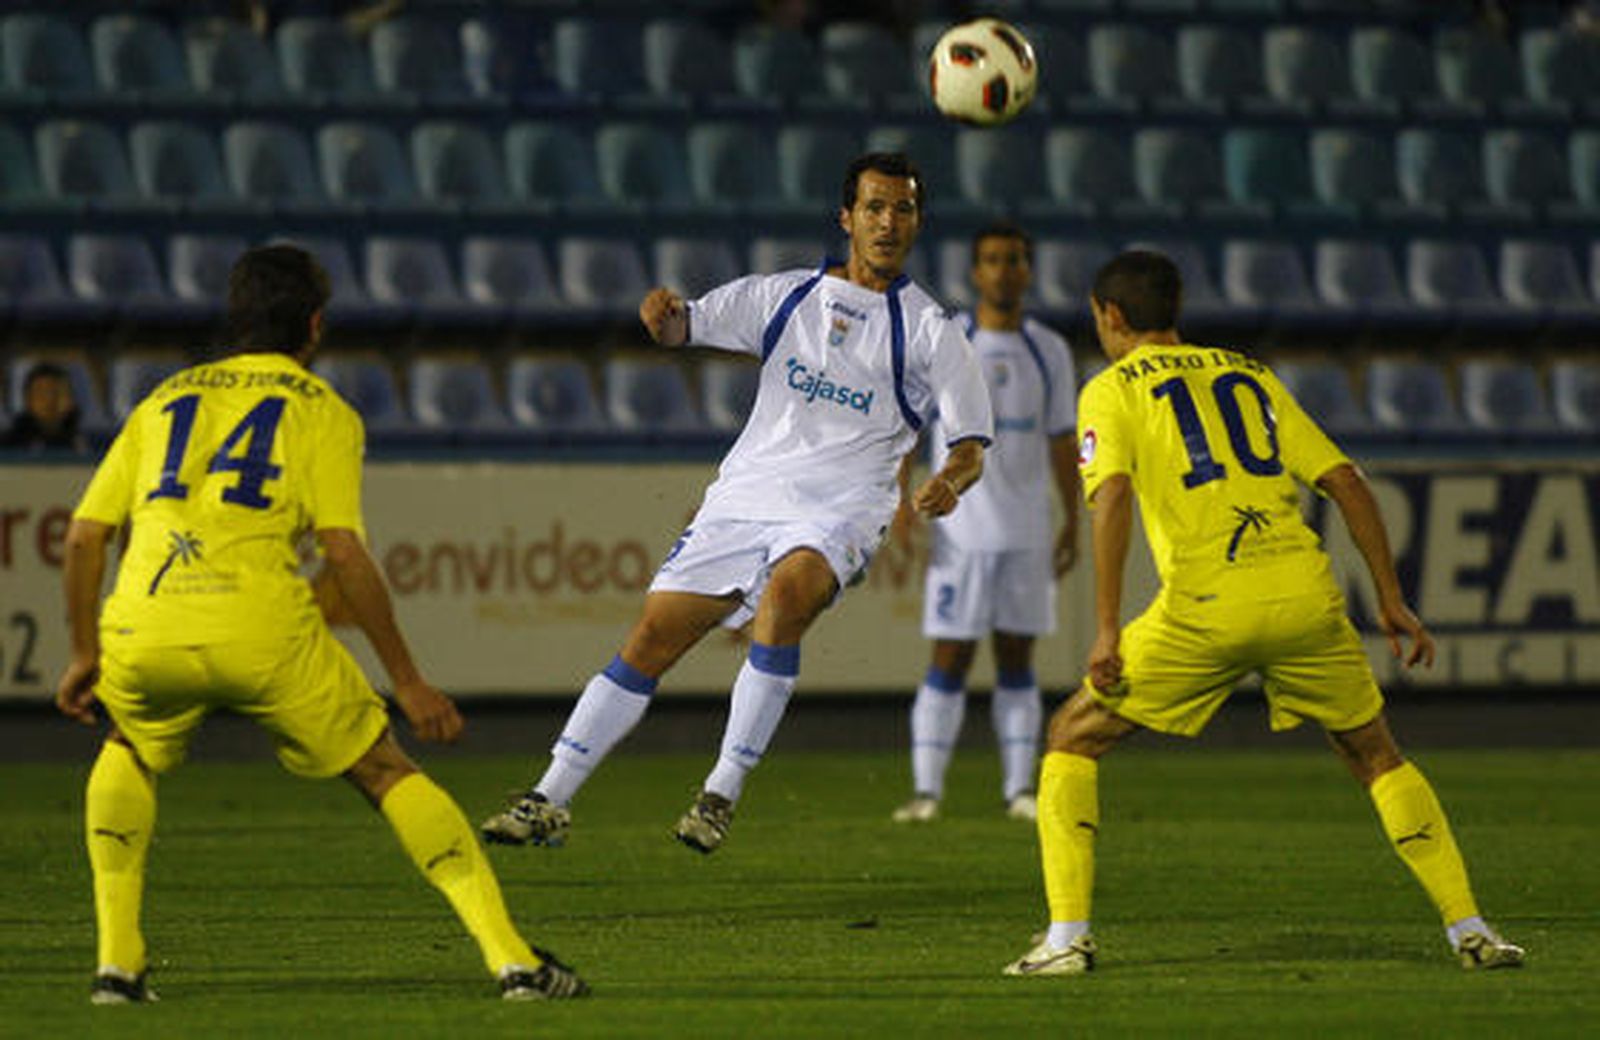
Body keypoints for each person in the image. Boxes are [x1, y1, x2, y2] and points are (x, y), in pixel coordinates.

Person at [54, 245, 588, 1004]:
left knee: (128, 746)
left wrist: (82, 650)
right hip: (264, 626)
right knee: (383, 770)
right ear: (314, 324)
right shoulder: (321, 410)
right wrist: (406, 677)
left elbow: (82, 537)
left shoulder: (161, 399)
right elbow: (343, 552)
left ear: (236, 317)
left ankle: (117, 965)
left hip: (144, 624)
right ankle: (513, 962)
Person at [1003, 250, 1523, 977]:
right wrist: (1392, 598)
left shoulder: (1110, 389)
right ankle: (1470, 929)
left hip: (1205, 609)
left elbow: (1112, 496)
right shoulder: (1249, 373)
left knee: (1071, 737)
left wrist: (1107, 627)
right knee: (1377, 755)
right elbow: (1345, 479)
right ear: (1174, 309)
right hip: (1306, 597)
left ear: (1110, 316)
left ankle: (1065, 940)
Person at [482, 152, 994, 855]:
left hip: (843, 507)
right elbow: (683, 327)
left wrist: (950, 480)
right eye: (874, 207)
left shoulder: (933, 329)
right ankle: (550, 797)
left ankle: (720, 792)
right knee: (652, 638)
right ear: (846, 217)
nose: (887, 222)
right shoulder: (781, 296)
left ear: (918, 222)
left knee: (785, 601)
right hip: (746, 496)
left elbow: (971, 444)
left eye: (902, 209)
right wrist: (661, 319)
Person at [891, 221, 1079, 825]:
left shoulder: (1048, 349)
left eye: (1015, 259)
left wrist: (1071, 518)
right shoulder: (949, 340)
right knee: (949, 657)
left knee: (1018, 660)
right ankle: (926, 792)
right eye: (993, 260)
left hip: (1026, 529)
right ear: (976, 272)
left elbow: (1061, 439)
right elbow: (908, 425)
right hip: (959, 531)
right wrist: (897, 501)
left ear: (1028, 270)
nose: (1004, 270)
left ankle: (1019, 789)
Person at [3, 362, 87, 452]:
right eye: (41, 394)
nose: (50, 401)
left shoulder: (90, 441)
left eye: (57, 393)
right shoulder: (8, 445)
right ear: (27, 400)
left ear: (72, 400)